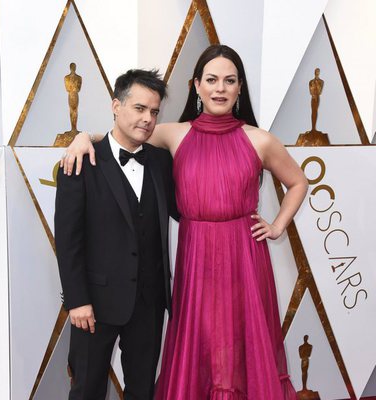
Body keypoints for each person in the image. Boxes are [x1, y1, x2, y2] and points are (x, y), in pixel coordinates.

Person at [62, 45, 308, 399]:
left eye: (229, 80)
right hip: (196, 257)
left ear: (240, 88)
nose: (220, 88)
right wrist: (83, 137)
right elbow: (127, 136)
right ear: (197, 86)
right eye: (211, 80)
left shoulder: (260, 139)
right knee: (201, 345)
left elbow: (298, 182)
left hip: (244, 257)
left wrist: (278, 225)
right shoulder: (174, 133)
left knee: (242, 345)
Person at [55, 69, 177, 400]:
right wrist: (77, 300)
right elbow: (68, 241)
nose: (148, 119)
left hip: (148, 304)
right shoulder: (80, 161)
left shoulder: (162, 162)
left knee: (142, 393)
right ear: (115, 106)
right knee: (86, 392)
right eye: (139, 108)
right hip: (93, 305)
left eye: (154, 112)